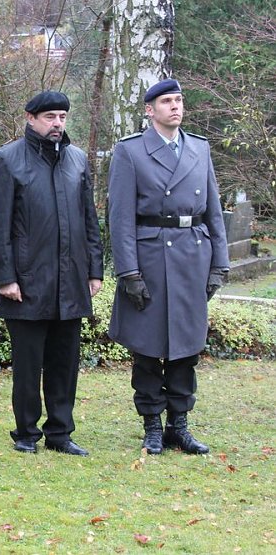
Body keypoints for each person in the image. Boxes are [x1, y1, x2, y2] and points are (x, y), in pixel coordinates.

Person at [107, 78, 230, 455]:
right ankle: (152, 427)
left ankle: (179, 425)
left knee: (186, 349)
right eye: (166, 102)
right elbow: (121, 217)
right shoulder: (130, 152)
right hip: (148, 259)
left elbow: (212, 209)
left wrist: (219, 265)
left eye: (178, 100)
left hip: (192, 257)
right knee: (147, 349)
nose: (175, 107)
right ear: (150, 110)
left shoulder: (199, 148)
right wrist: (128, 272)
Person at [0, 90, 104, 456]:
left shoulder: (77, 159)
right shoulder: (7, 160)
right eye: (50, 116)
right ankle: (25, 432)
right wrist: (5, 278)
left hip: (71, 281)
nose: (57, 124)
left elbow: (89, 220)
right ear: (31, 118)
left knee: (65, 363)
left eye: (63, 117)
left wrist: (94, 270)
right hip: (27, 281)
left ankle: (60, 432)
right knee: (28, 363)